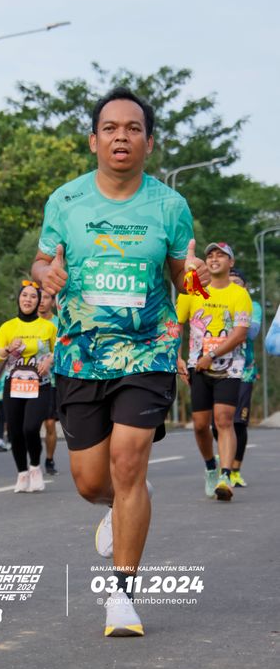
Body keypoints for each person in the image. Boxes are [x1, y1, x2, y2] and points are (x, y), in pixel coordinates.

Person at [31, 86, 209, 637]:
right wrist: (45, 274)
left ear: (149, 142)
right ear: (93, 140)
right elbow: (42, 261)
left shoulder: (169, 206)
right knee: (91, 481)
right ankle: (128, 502)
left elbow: (184, 278)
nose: (121, 137)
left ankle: (122, 595)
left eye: (133, 128)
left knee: (128, 463)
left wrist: (196, 276)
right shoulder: (65, 201)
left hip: (148, 349)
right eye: (110, 128)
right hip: (80, 353)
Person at [177, 243, 252, 501]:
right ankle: (211, 468)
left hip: (230, 367)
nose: (214, 258)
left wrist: (212, 355)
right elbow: (177, 325)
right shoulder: (192, 291)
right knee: (200, 425)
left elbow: (239, 333)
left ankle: (225, 476)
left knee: (223, 420)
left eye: (221, 255)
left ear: (231, 263)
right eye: (210, 255)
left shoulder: (239, 295)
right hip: (197, 367)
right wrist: (177, 357)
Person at [0, 281, 56, 493]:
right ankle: (22, 473)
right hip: (14, 385)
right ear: (19, 299)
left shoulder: (48, 327)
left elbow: (62, 349)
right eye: (25, 295)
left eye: (33, 297)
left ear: (39, 302)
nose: (28, 299)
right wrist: (8, 349)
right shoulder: (8, 327)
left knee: (30, 428)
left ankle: (35, 467)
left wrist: (50, 360)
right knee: (15, 431)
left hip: (40, 385)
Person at [211, 268, 262, 487]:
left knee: (238, 423)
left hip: (243, 371)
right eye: (229, 281)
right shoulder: (214, 300)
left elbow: (251, 332)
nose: (232, 285)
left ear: (245, 287)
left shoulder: (253, 305)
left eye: (237, 282)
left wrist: (233, 311)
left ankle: (235, 470)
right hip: (216, 369)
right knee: (218, 423)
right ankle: (225, 455)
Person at [38, 289, 59, 474]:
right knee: (30, 425)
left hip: (52, 381)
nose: (41, 301)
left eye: (46, 298)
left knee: (50, 423)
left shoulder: (59, 323)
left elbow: (64, 347)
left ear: (53, 302)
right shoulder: (28, 323)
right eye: (39, 297)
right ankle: (32, 462)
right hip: (28, 383)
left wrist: (50, 360)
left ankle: (49, 460)